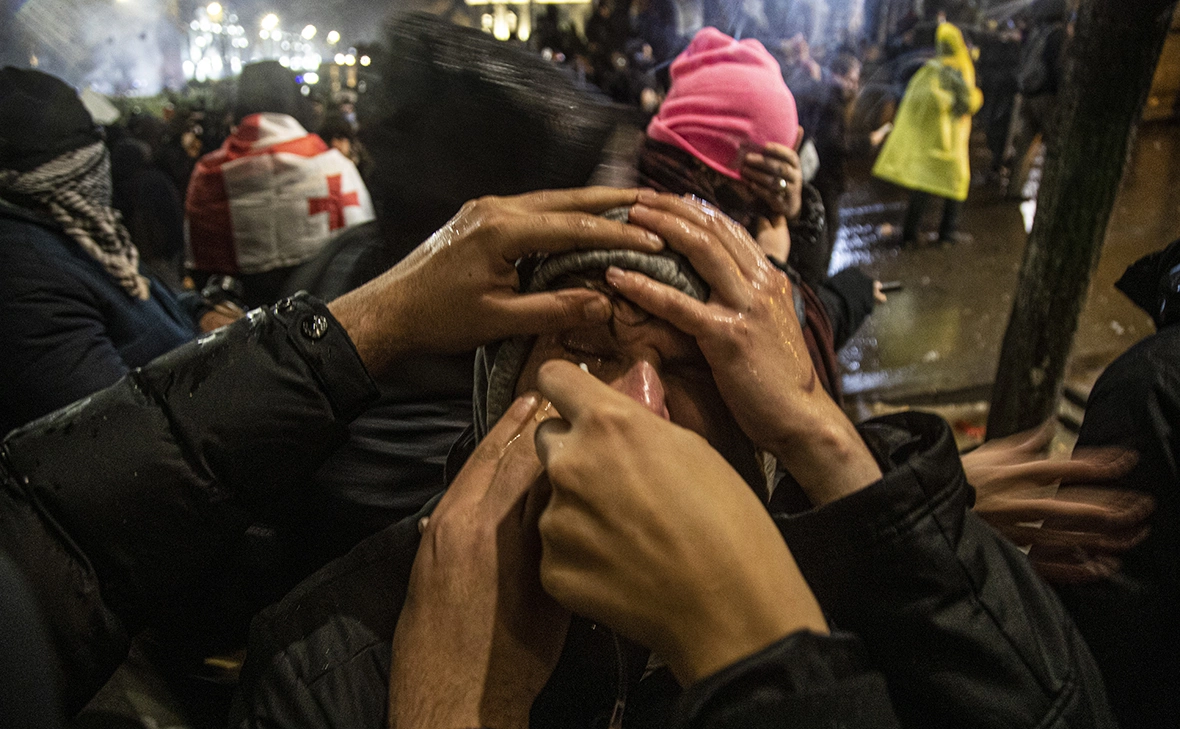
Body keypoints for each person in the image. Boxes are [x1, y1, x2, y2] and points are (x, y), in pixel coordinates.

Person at [231, 191, 1113, 728]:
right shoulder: (332, 660)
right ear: (501, 391)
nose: (639, 406)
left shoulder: (867, 588)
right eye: (587, 351)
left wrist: (832, 444)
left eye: (692, 368)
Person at [0, 67, 221, 437]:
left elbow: (140, 297)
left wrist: (198, 311)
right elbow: (121, 429)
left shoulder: (77, 231)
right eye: (89, 156)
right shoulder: (25, 272)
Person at [185, 61, 375, 309]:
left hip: (246, 317)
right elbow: (362, 252)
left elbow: (202, 271)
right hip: (332, 312)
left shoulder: (208, 176)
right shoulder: (335, 166)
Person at [872, 22, 982, 246]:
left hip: (929, 141)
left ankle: (910, 234)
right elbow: (966, 104)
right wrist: (976, 97)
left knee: (922, 186)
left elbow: (916, 101)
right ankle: (947, 234)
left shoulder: (931, 69)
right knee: (955, 184)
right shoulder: (960, 68)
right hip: (951, 142)